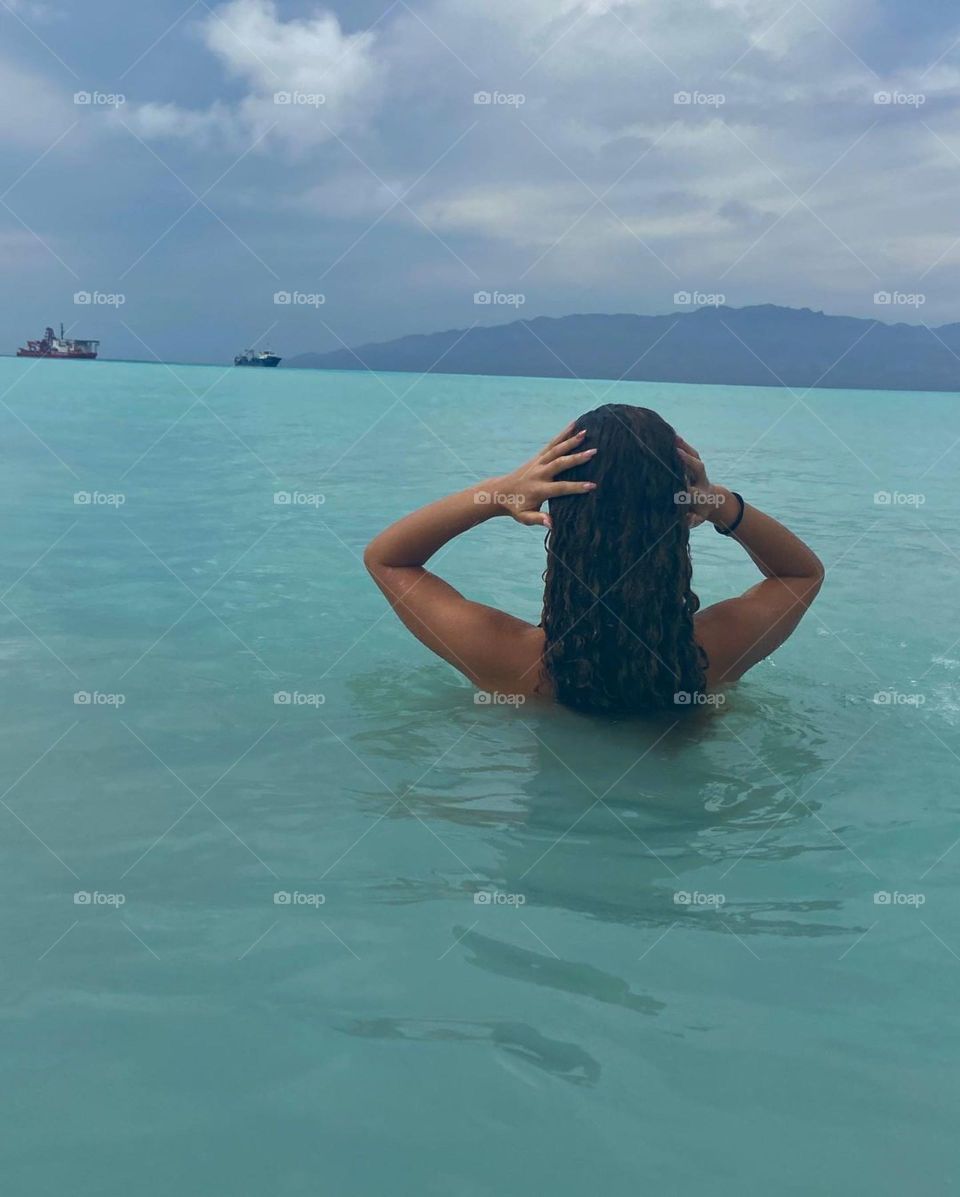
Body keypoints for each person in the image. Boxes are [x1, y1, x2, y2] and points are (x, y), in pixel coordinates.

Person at [364, 404, 824, 715]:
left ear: (560, 511)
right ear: (678, 512)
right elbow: (800, 574)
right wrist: (720, 502)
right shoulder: (714, 654)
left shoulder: (509, 662)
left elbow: (389, 560)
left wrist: (500, 492)